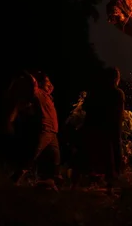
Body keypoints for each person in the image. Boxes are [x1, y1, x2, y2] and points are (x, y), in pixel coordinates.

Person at [74, 66, 125, 196]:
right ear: (115, 78)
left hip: (92, 129)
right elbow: (117, 115)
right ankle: (110, 188)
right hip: (108, 130)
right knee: (111, 159)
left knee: (89, 157)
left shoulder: (96, 92)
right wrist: (117, 133)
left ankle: (76, 185)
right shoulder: (117, 93)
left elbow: (86, 107)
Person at [30, 71, 62, 187]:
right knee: (34, 153)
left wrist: (47, 81)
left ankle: (51, 181)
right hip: (45, 128)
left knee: (55, 156)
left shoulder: (47, 94)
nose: (49, 84)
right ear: (40, 83)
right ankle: (16, 177)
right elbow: (32, 84)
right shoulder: (38, 93)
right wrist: (30, 76)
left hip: (53, 131)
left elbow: (51, 86)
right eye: (47, 81)